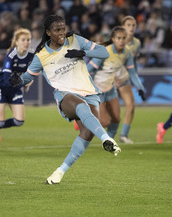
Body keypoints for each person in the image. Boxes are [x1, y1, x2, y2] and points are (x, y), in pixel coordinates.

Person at [9, 14, 121, 184]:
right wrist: (18, 80)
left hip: (90, 93)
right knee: (80, 106)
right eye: (57, 30)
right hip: (65, 95)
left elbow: (104, 52)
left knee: (87, 133)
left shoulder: (75, 40)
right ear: (48, 32)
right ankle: (106, 138)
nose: (62, 32)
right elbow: (27, 77)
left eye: (63, 28)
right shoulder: (41, 56)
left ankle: (59, 172)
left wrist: (83, 52)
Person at [86, 26, 146, 144]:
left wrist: (140, 87)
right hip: (97, 90)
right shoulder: (105, 52)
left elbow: (132, 72)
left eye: (124, 38)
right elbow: (88, 69)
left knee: (116, 119)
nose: (122, 41)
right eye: (118, 38)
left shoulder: (127, 52)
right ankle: (82, 121)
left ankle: (109, 142)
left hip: (110, 89)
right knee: (105, 122)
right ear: (113, 39)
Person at [0, 29, 34, 142]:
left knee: (19, 121)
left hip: (15, 89)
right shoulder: (11, 55)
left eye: (28, 40)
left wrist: (28, 81)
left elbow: (32, 74)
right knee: (1, 120)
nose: (26, 42)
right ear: (17, 42)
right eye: (23, 40)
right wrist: (17, 81)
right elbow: (5, 77)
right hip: (2, 87)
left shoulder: (31, 56)